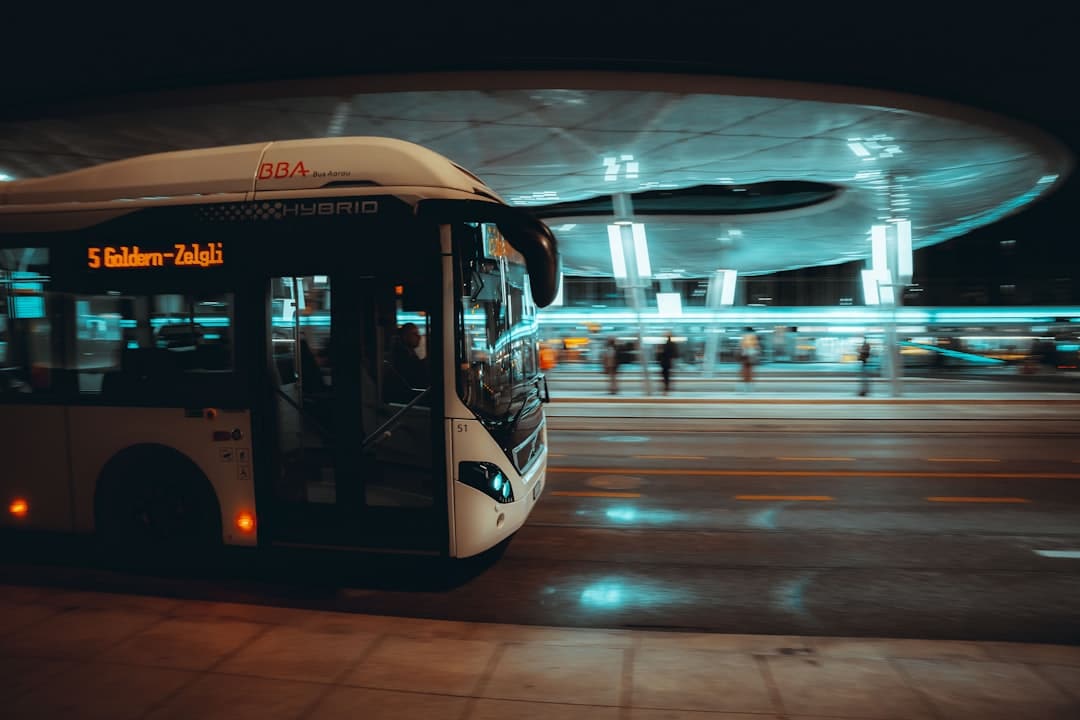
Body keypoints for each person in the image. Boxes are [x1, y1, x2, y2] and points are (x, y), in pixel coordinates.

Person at [387, 322, 428, 398]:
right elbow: (415, 373)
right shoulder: (401, 355)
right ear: (405, 336)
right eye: (414, 334)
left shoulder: (409, 352)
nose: (419, 337)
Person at [738, 327, 760, 392]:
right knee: (749, 372)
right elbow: (756, 347)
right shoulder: (753, 337)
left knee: (745, 372)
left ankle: (746, 386)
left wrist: (744, 352)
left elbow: (742, 347)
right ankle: (749, 387)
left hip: (746, 356)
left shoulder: (745, 337)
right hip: (750, 356)